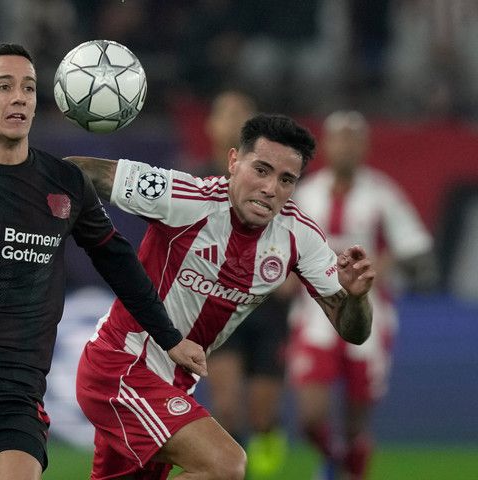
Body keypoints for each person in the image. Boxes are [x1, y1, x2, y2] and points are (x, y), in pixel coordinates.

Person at [0, 42, 206, 480]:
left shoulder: (66, 182)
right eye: (4, 86)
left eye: (28, 88)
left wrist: (169, 337)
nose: (19, 98)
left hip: (14, 382)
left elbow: (119, 262)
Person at [67, 113, 376, 480]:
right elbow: (77, 171)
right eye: (261, 170)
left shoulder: (299, 237)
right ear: (233, 161)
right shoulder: (185, 197)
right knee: (225, 465)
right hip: (122, 367)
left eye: (286, 180)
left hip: (173, 384)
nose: (270, 188)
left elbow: (353, 330)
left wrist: (356, 298)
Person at [286, 110, 435, 480]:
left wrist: (384, 264)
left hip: (370, 314)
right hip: (314, 314)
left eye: (354, 139)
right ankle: (335, 459)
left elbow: (414, 245)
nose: (347, 147)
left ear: (365, 147)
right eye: (340, 138)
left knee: (356, 423)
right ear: (327, 145)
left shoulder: (382, 193)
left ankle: (350, 468)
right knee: (311, 417)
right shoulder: (306, 194)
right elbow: (282, 243)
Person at [197, 90, 292, 479]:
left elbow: (296, 235)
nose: (235, 120)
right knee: (227, 408)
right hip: (219, 308)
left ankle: (268, 436)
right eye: (227, 113)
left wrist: (291, 275)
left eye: (243, 114)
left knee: (262, 414)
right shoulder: (194, 180)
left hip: (267, 309)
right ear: (211, 126)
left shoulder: (274, 182)